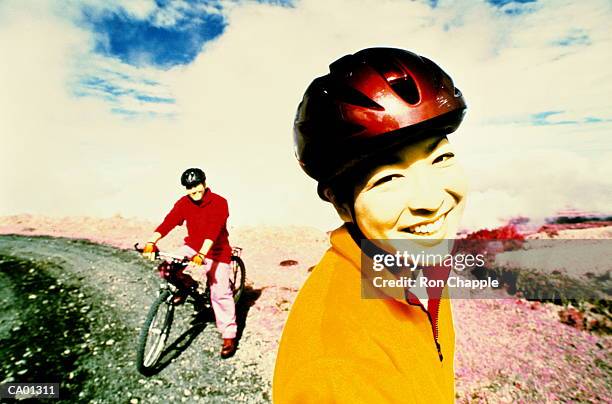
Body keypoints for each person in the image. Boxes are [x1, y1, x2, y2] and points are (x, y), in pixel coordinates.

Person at [273, 48, 468, 402]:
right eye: (388, 178)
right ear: (343, 206)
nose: (431, 199)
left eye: (441, 157)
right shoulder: (335, 372)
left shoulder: (417, 262)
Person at [142, 168, 237, 358]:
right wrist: (152, 241)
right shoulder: (184, 203)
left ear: (204, 183)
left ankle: (229, 334)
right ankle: (187, 286)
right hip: (193, 247)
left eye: (197, 185)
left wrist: (203, 254)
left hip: (216, 252)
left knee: (220, 293)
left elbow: (214, 230)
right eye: (190, 187)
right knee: (167, 267)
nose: (194, 190)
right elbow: (169, 221)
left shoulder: (219, 202)